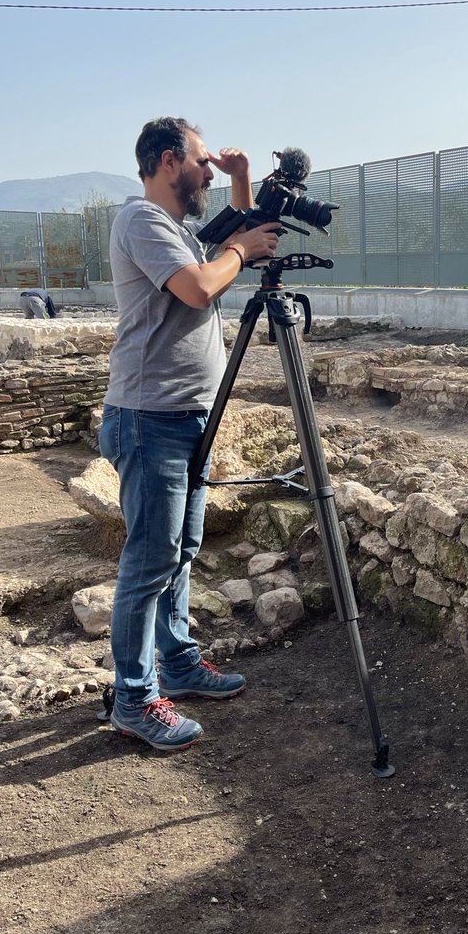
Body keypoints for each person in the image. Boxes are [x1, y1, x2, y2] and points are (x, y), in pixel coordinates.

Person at [99, 116, 280, 751]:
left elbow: (236, 235)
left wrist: (242, 180)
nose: (208, 172)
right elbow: (202, 287)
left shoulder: (179, 229)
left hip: (185, 418)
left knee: (180, 551)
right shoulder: (141, 220)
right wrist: (239, 251)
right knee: (149, 562)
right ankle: (134, 699)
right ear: (170, 162)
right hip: (150, 419)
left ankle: (178, 664)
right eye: (203, 162)